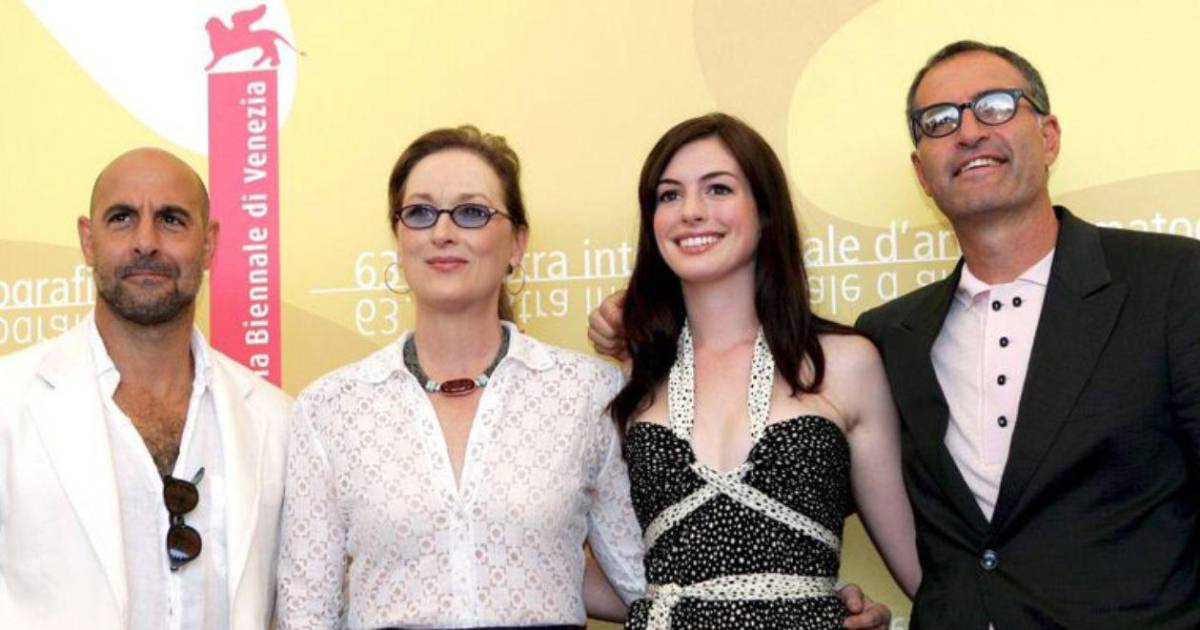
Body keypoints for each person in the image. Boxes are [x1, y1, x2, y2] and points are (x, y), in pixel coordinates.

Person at [852, 41, 1200, 628]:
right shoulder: (888, 336)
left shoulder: (1172, 281)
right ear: (921, 172)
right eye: (939, 121)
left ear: (1049, 136)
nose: (968, 132)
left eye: (994, 106)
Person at [275, 126, 645, 630]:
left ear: (517, 244)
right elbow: (306, 614)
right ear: (399, 239)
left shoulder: (588, 392)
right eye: (420, 213)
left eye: (472, 212)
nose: (442, 232)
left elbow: (645, 585)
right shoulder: (331, 408)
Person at [605, 113, 919, 629]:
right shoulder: (633, 377)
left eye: (718, 188)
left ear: (765, 209)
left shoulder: (845, 363)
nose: (691, 212)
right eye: (669, 195)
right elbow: (613, 576)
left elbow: (919, 568)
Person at [0, 147, 293, 630]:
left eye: (171, 220)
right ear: (88, 240)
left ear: (209, 244)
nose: (145, 242)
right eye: (122, 218)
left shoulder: (277, 421)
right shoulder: (10, 403)